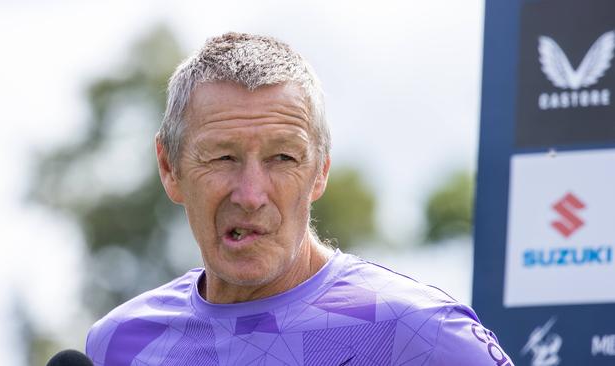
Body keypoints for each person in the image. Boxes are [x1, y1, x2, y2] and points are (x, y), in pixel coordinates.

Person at [86, 32, 512, 366]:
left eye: (283, 157)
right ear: (169, 168)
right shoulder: (118, 345)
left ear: (320, 170)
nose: (251, 195)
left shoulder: (422, 333)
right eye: (222, 156)